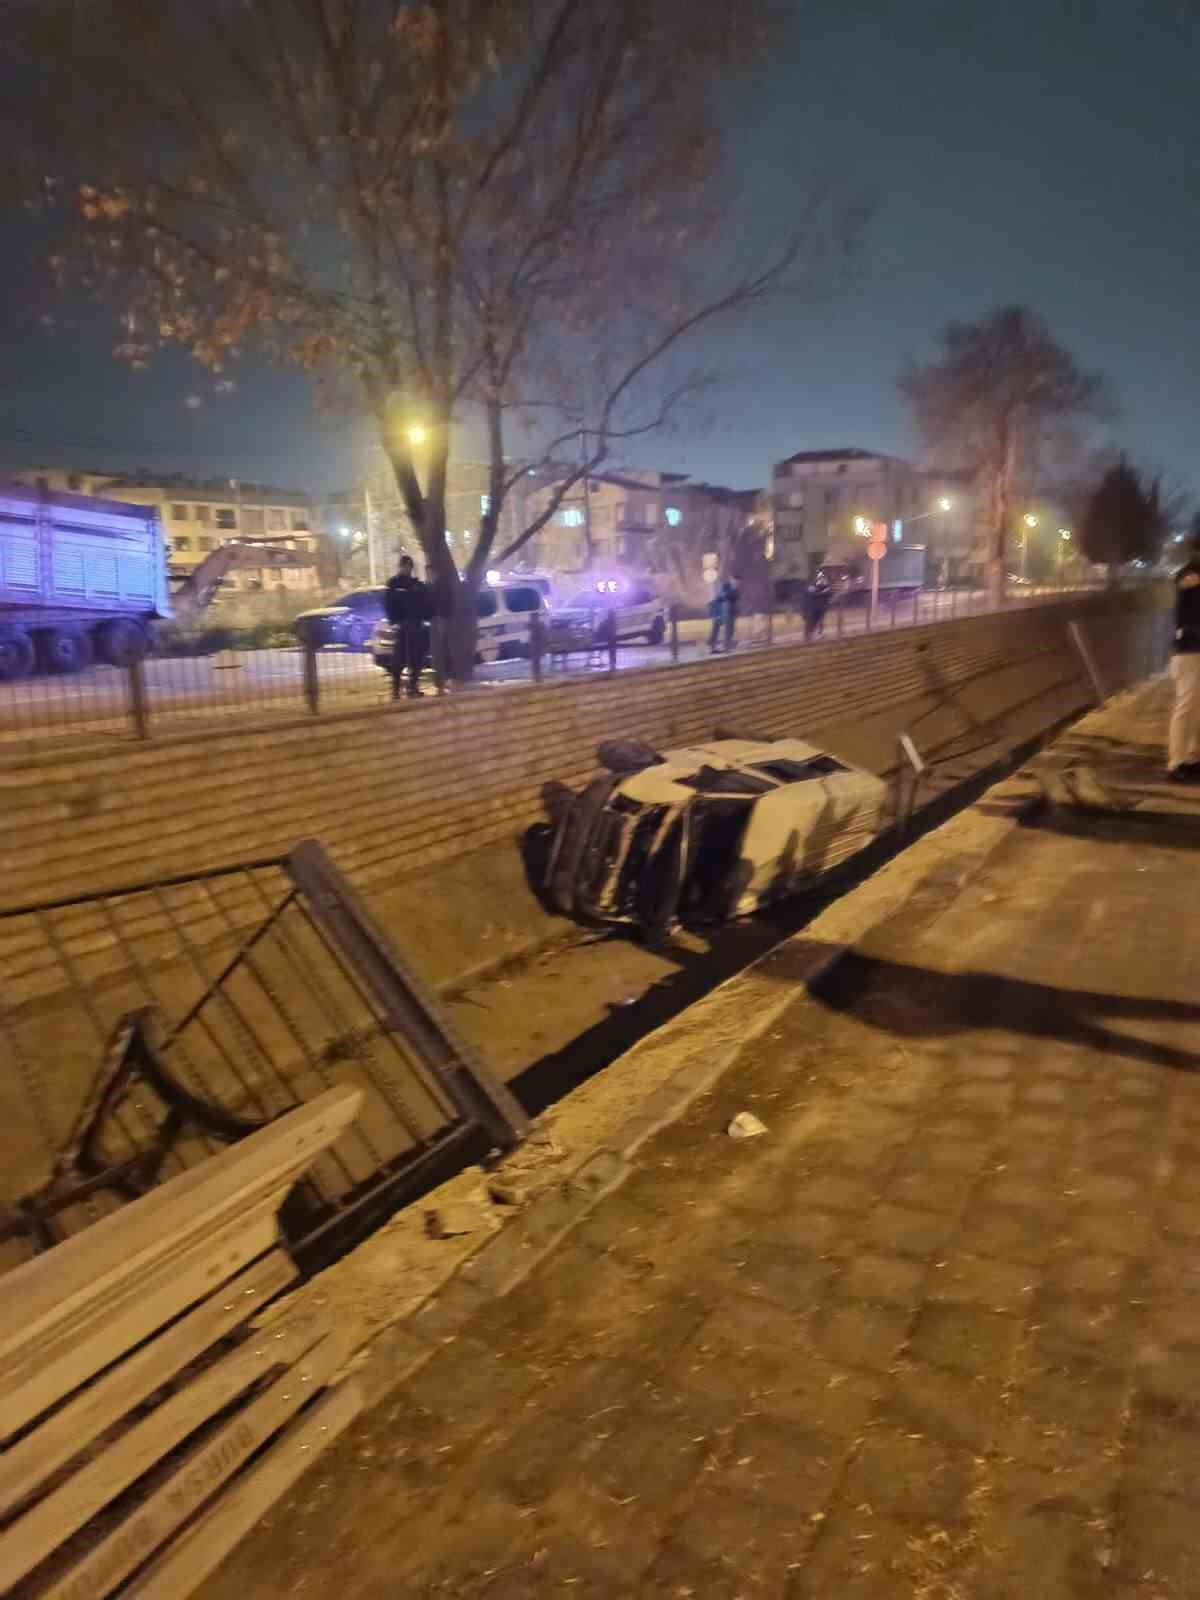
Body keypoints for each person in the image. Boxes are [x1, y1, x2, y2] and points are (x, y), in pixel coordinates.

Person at [1168, 533, 1200, 779]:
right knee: (1187, 704)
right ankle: (1176, 762)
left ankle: (1191, 757)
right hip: (1189, 650)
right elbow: (1184, 583)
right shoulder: (1190, 575)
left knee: (1195, 707)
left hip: (1193, 649)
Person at [384, 554, 431, 700]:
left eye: (409, 566)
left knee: (416, 659)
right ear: (400, 566)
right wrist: (394, 621)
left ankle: (413, 687)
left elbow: (424, 602)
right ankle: (396, 690)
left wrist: (423, 618)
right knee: (398, 659)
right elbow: (389, 604)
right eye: (404, 566)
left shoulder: (416, 584)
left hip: (416, 625)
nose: (407, 569)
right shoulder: (394, 584)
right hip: (402, 626)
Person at [708, 578, 740, 653]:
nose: (737, 584)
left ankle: (720, 646)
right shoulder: (727, 590)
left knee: (724, 630)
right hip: (722, 612)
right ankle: (722, 647)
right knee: (725, 630)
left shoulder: (733, 591)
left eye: (738, 583)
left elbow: (735, 602)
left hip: (723, 613)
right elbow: (725, 598)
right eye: (736, 582)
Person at [804, 570, 832, 641]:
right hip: (813, 607)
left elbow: (828, 594)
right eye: (820, 577)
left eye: (822, 577)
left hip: (821, 607)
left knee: (820, 621)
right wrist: (823, 592)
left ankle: (817, 634)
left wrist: (826, 592)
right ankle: (809, 635)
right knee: (812, 621)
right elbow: (813, 594)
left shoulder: (824, 586)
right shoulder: (812, 585)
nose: (821, 579)